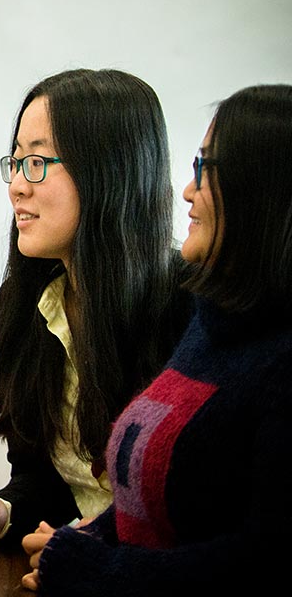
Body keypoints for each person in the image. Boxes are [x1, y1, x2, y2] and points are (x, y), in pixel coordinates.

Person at [22, 83, 292, 594]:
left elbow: (263, 561)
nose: (187, 191)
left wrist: (91, 567)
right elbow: (145, 496)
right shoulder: (215, 321)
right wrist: (84, 543)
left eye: (205, 171)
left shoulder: (268, 354)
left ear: (262, 191)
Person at [0, 69, 190, 551]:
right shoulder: (23, 305)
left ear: (108, 171)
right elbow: (48, 487)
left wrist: (91, 546)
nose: (16, 185)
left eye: (36, 162)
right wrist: (2, 512)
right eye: (14, 163)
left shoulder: (192, 310)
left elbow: (196, 508)